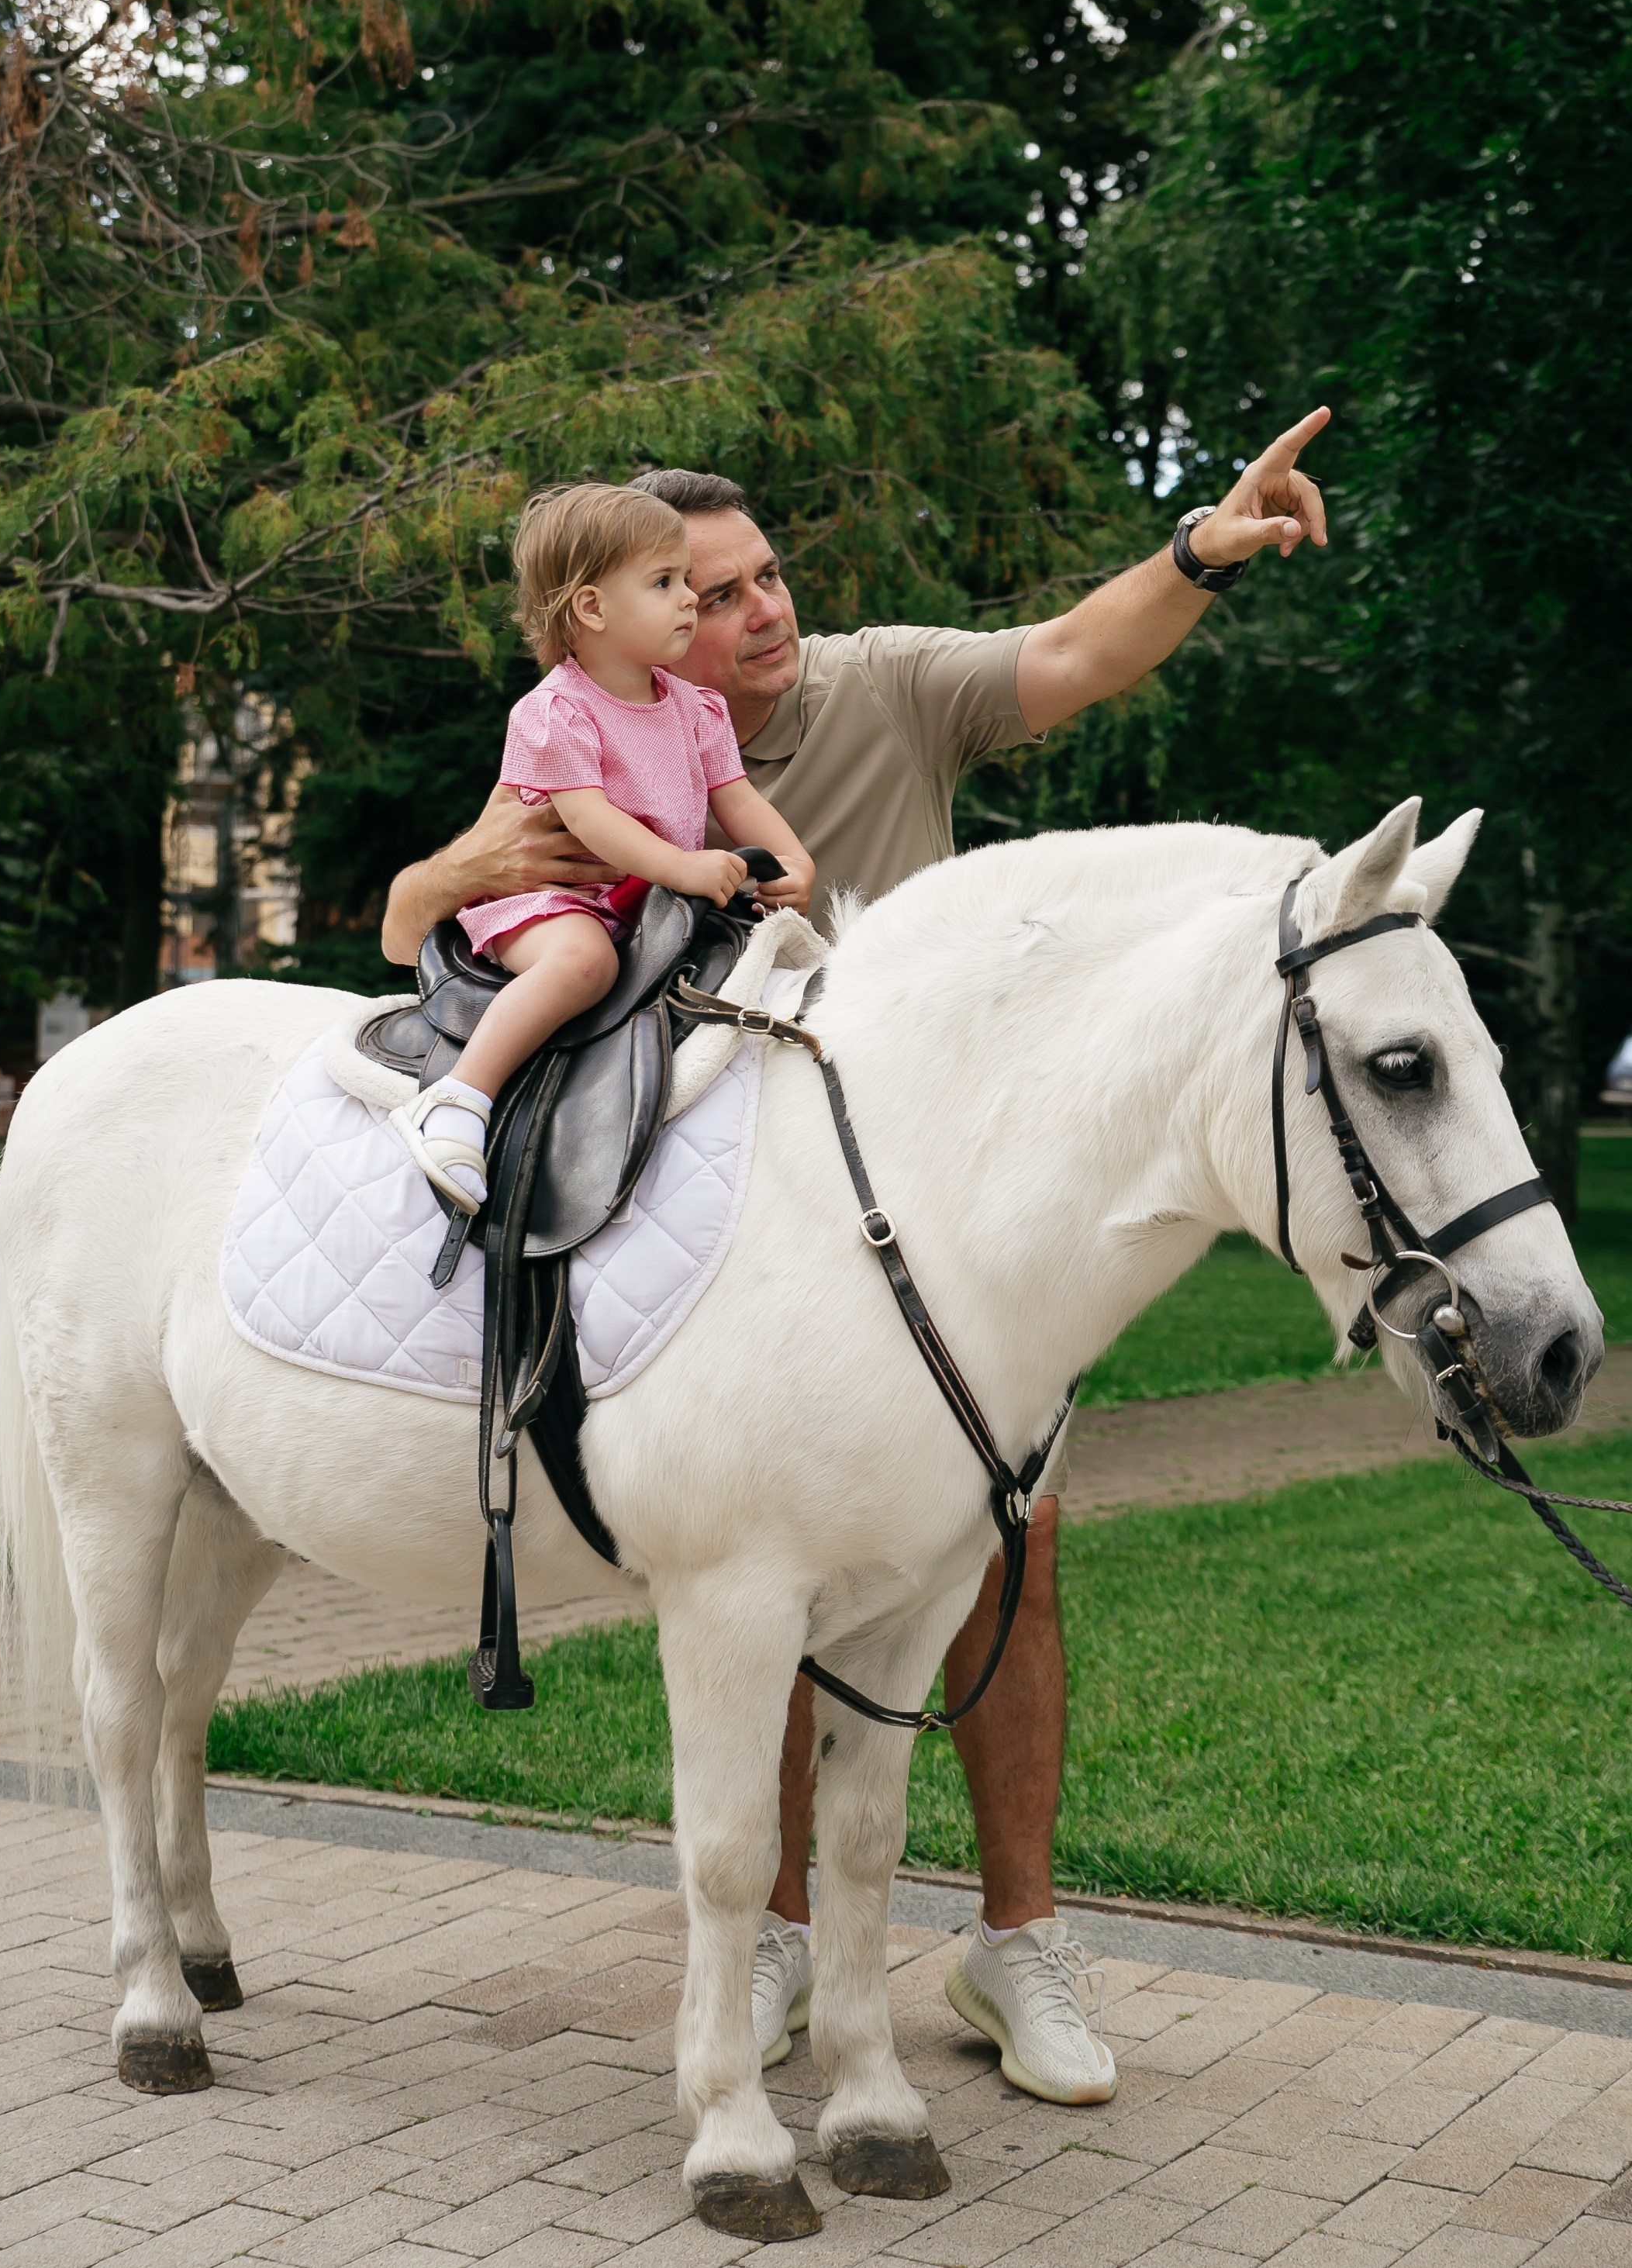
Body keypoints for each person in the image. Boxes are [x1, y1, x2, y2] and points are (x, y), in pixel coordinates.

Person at [382, 409, 1333, 2102]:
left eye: (763, 577)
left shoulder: (879, 686)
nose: (757, 611)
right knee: (777, 1583)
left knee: (1009, 1567)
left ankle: (1015, 1943)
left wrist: (1195, 549)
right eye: (710, 587)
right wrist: (455, 866)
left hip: (947, 1237)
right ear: (630, 602)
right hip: (740, 1246)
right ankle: (770, 1938)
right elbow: (428, 922)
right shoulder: (593, 732)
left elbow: (1065, 652)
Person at [390, 482, 813, 1212]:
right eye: (664, 583)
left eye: (686, 580)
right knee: (583, 963)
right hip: (553, 901)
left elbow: (737, 800)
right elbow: (589, 819)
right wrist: (683, 867)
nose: (687, 598)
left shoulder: (694, 709)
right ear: (591, 607)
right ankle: (460, 1100)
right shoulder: (557, 712)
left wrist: (795, 862)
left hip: (639, 909)